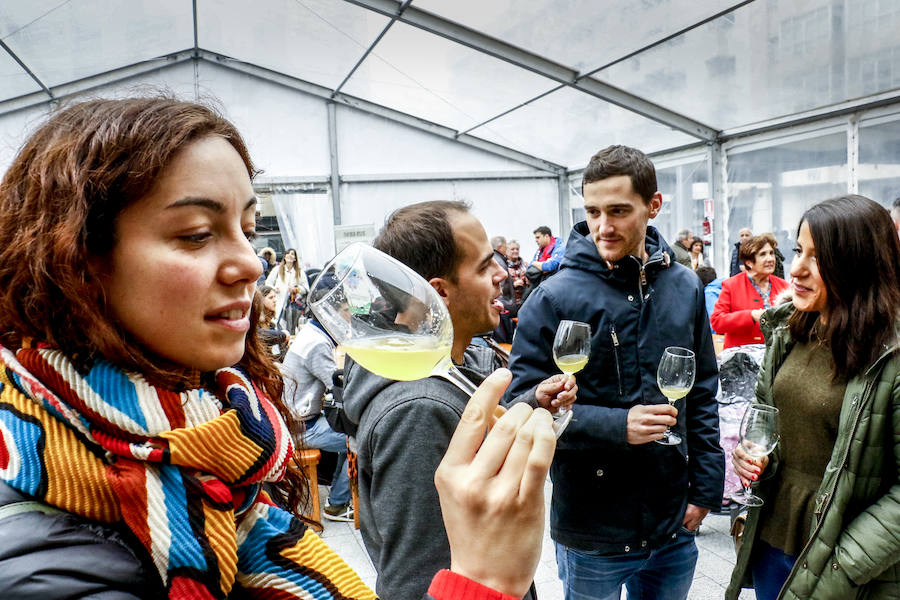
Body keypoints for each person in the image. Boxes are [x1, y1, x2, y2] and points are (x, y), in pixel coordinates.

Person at [0, 96, 560, 600]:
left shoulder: (221, 454)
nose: (249, 263)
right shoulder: (49, 559)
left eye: (249, 227)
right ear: (75, 259)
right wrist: (482, 583)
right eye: (196, 233)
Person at [508, 145, 724, 600]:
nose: (603, 227)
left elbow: (703, 390)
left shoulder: (684, 286)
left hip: (672, 524)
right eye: (593, 211)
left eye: (619, 211)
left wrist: (705, 489)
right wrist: (616, 425)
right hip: (592, 530)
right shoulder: (554, 297)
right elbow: (520, 405)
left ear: (654, 206)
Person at [342, 200, 577, 600]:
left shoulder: (450, 364)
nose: (502, 273)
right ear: (440, 292)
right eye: (485, 266)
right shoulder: (418, 411)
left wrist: (531, 404)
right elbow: (417, 580)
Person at [726, 195, 900, 600]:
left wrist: (841, 567)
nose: (798, 269)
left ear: (858, 263)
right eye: (799, 251)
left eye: (818, 258)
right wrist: (755, 457)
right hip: (773, 543)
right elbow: (770, 422)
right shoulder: (790, 333)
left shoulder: (890, 355)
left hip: (849, 567)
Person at [280, 315, 353, 522]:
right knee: (358, 439)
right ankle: (337, 505)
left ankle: (339, 494)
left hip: (296, 421)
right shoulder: (318, 344)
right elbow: (340, 387)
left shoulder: (311, 333)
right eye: (344, 311)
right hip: (301, 429)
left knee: (347, 431)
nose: (346, 318)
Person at [710, 235, 789, 350]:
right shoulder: (731, 285)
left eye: (771, 253)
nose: (770, 259)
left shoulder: (784, 286)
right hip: (740, 360)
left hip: (776, 357)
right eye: (763, 254)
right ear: (749, 262)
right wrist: (750, 315)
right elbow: (717, 322)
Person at [266, 247, 308, 333]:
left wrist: (296, 289)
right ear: (284, 256)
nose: (289, 255)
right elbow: (268, 283)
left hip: (292, 305)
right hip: (277, 303)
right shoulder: (277, 269)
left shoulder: (299, 272)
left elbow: (306, 288)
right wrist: (274, 289)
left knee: (291, 328)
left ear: (295, 258)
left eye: (292, 254)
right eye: (288, 253)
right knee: (277, 325)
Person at [255, 284, 289, 359]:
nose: (275, 300)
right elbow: (260, 335)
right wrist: (283, 335)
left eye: (275, 297)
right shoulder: (255, 322)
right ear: (261, 300)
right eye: (271, 298)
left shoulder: (271, 325)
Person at [506, 239, 529, 307]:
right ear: (506, 251)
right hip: (510, 303)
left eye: (517, 249)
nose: (515, 251)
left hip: (525, 302)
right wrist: (512, 285)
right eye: (512, 249)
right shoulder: (503, 267)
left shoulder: (526, 265)